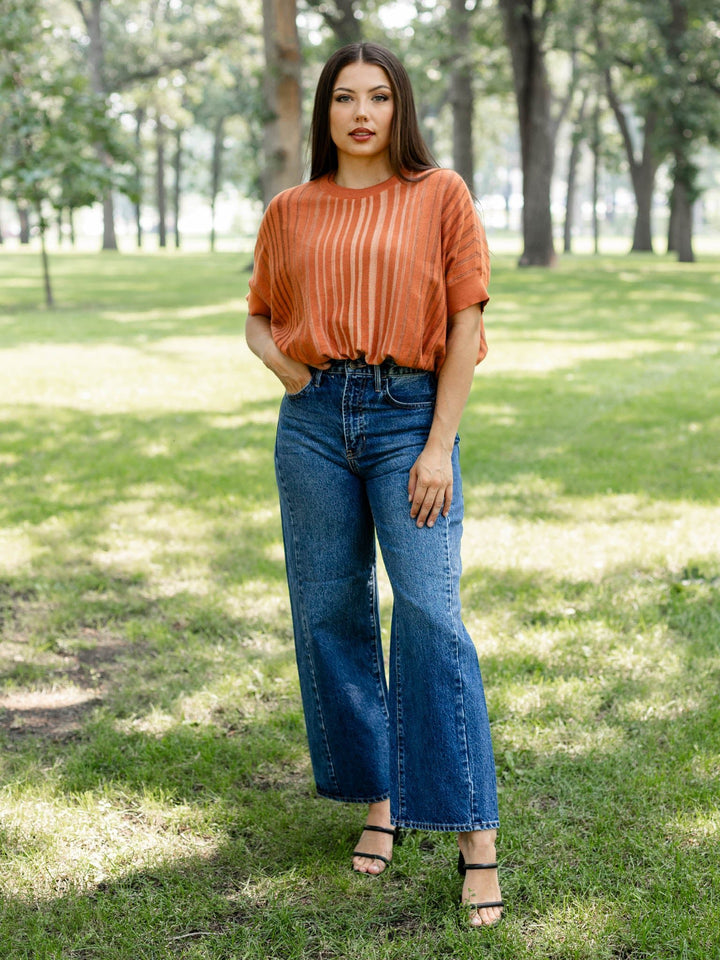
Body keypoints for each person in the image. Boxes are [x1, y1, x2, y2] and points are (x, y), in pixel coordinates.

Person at [245, 41, 503, 929]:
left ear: (402, 109)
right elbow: (257, 319)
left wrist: (439, 445)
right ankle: (382, 797)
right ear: (324, 112)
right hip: (315, 423)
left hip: (409, 418)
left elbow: (465, 324)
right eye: (345, 97)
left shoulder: (441, 196)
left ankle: (474, 831)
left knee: (430, 610)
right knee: (329, 612)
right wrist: (292, 377)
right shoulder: (292, 208)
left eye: (380, 97)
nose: (362, 112)